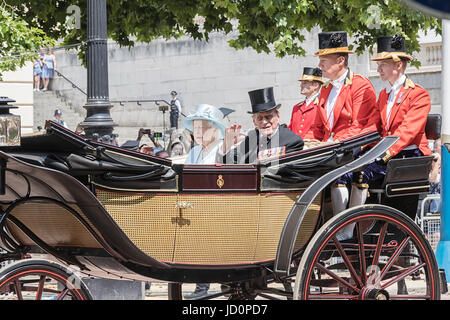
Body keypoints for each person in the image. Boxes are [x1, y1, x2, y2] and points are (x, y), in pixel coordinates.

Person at [337, 34, 432, 241]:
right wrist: (350, 145)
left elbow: (407, 131)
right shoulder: (384, 95)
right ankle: (344, 227)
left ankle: (348, 229)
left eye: (382, 65)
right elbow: (373, 127)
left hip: (408, 156)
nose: (378, 69)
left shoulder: (419, 94)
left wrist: (383, 153)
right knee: (344, 173)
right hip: (389, 153)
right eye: (378, 65)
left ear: (398, 65)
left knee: (362, 174)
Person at [304, 31, 378, 239]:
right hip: (332, 148)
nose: (320, 66)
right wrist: (308, 142)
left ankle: (346, 228)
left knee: (340, 173)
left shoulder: (360, 85)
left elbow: (360, 125)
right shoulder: (326, 90)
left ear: (340, 60)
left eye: (324, 61)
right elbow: (317, 126)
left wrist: (332, 143)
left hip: (356, 147)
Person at [179, 104, 225, 299]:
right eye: (195, 128)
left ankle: (202, 289)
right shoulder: (195, 151)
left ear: (214, 129)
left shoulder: (222, 150)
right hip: (197, 204)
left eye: (203, 127)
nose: (198, 132)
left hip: (218, 206)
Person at [219, 87, 304, 164]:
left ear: (278, 116)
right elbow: (230, 162)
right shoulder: (252, 137)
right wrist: (226, 145)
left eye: (268, 117)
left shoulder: (292, 141)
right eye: (259, 118)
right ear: (254, 122)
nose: (264, 122)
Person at [288, 67, 323, 138]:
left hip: (314, 147)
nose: (301, 85)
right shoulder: (296, 107)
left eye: (305, 83)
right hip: (296, 147)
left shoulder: (323, 105)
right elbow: (290, 130)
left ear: (315, 85)